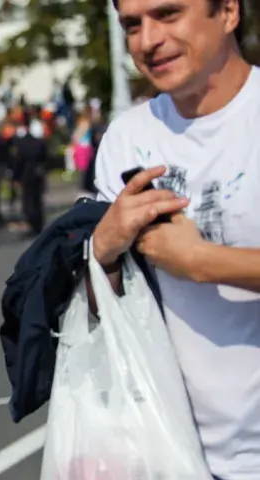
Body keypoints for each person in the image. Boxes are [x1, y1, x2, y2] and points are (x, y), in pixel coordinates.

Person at [89, 0, 260, 477]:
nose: (148, 40)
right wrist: (102, 249)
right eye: (133, 25)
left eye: (168, 14)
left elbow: (195, 262)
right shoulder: (126, 137)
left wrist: (204, 261)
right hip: (167, 451)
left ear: (228, 12)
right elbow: (93, 307)